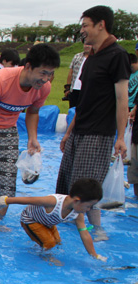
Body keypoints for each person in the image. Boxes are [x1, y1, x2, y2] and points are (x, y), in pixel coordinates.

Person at [0, 43, 60, 221]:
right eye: (43, 73)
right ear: (28, 66)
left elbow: (33, 112)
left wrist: (32, 138)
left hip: (9, 131)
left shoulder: (43, 88)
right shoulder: (1, 80)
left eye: (50, 74)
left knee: (7, 186)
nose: (46, 79)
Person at [56, 5, 131, 239]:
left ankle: (96, 229)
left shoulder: (117, 56)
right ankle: (66, 225)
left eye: (85, 25)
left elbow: (122, 99)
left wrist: (120, 136)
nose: (82, 30)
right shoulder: (90, 59)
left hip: (99, 133)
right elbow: (84, 101)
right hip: (80, 130)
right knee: (66, 182)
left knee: (85, 184)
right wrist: (69, 132)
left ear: (101, 25)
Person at [0, 178, 106, 261]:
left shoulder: (78, 213)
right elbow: (30, 200)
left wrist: (94, 255)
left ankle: (39, 244)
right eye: (88, 206)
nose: (89, 209)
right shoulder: (53, 202)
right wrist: (6, 201)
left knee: (58, 242)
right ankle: (45, 257)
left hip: (47, 223)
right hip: (30, 220)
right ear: (76, 200)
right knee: (49, 243)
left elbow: (85, 234)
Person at [64, 43, 92, 108]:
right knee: (73, 110)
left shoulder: (95, 58)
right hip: (75, 88)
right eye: (85, 44)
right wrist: (68, 88)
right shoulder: (77, 56)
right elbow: (70, 72)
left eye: (89, 44)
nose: (87, 46)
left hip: (87, 90)